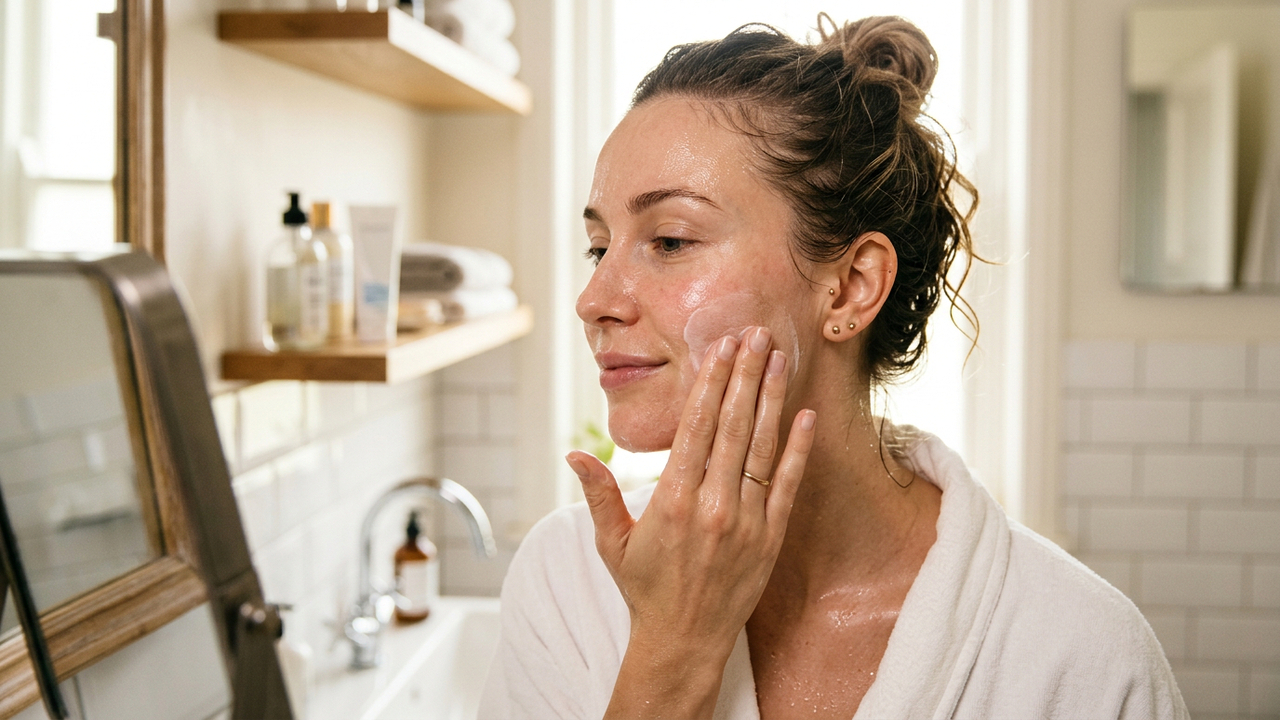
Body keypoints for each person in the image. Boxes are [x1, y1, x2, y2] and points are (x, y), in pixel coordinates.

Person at [480, 15, 1187, 720]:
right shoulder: (565, 585)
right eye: (599, 247)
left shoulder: (1080, 654)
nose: (593, 299)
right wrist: (672, 649)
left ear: (851, 287)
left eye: (669, 238)